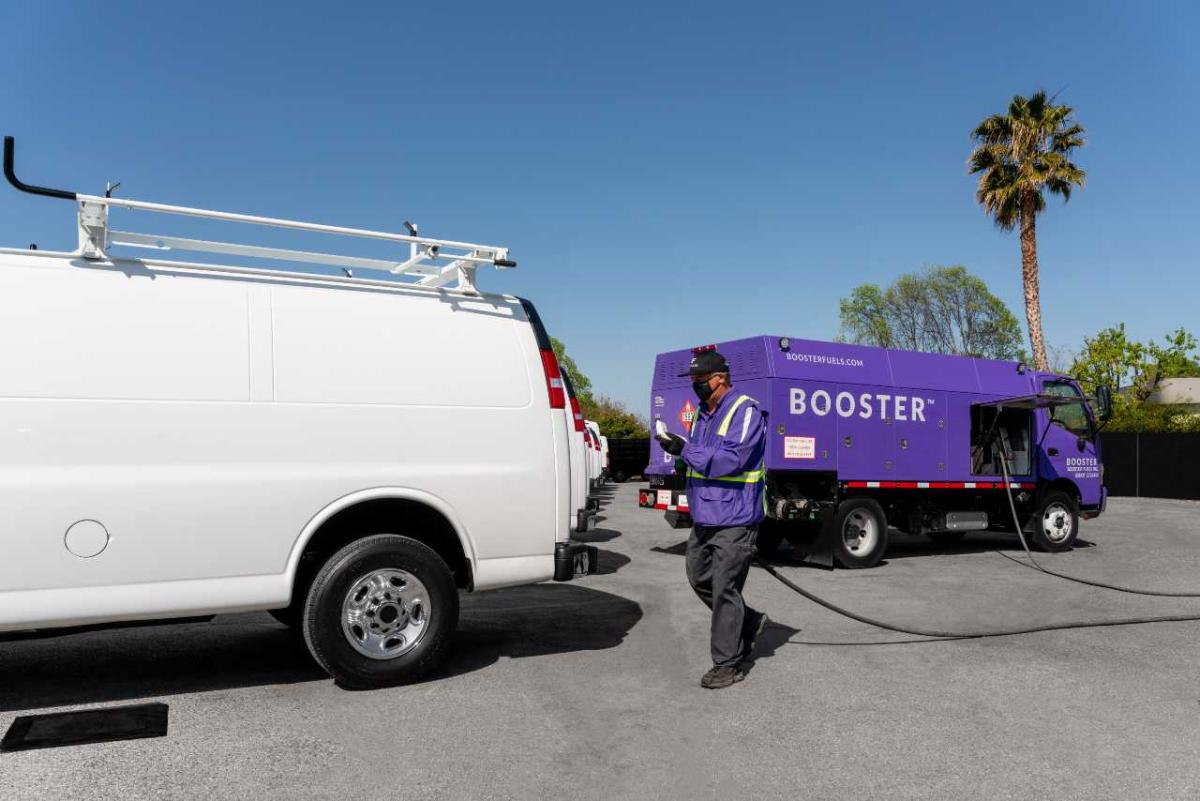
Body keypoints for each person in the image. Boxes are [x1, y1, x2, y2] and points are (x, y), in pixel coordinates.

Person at [656, 350, 769, 689]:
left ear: (720, 378)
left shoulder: (745, 411)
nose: (695, 387)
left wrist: (685, 449)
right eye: (693, 381)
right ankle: (748, 622)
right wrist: (677, 454)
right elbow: (698, 458)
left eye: (700, 381)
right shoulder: (702, 415)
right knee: (698, 576)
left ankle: (728, 664)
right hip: (706, 515)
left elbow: (730, 461)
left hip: (736, 516)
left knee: (724, 588)